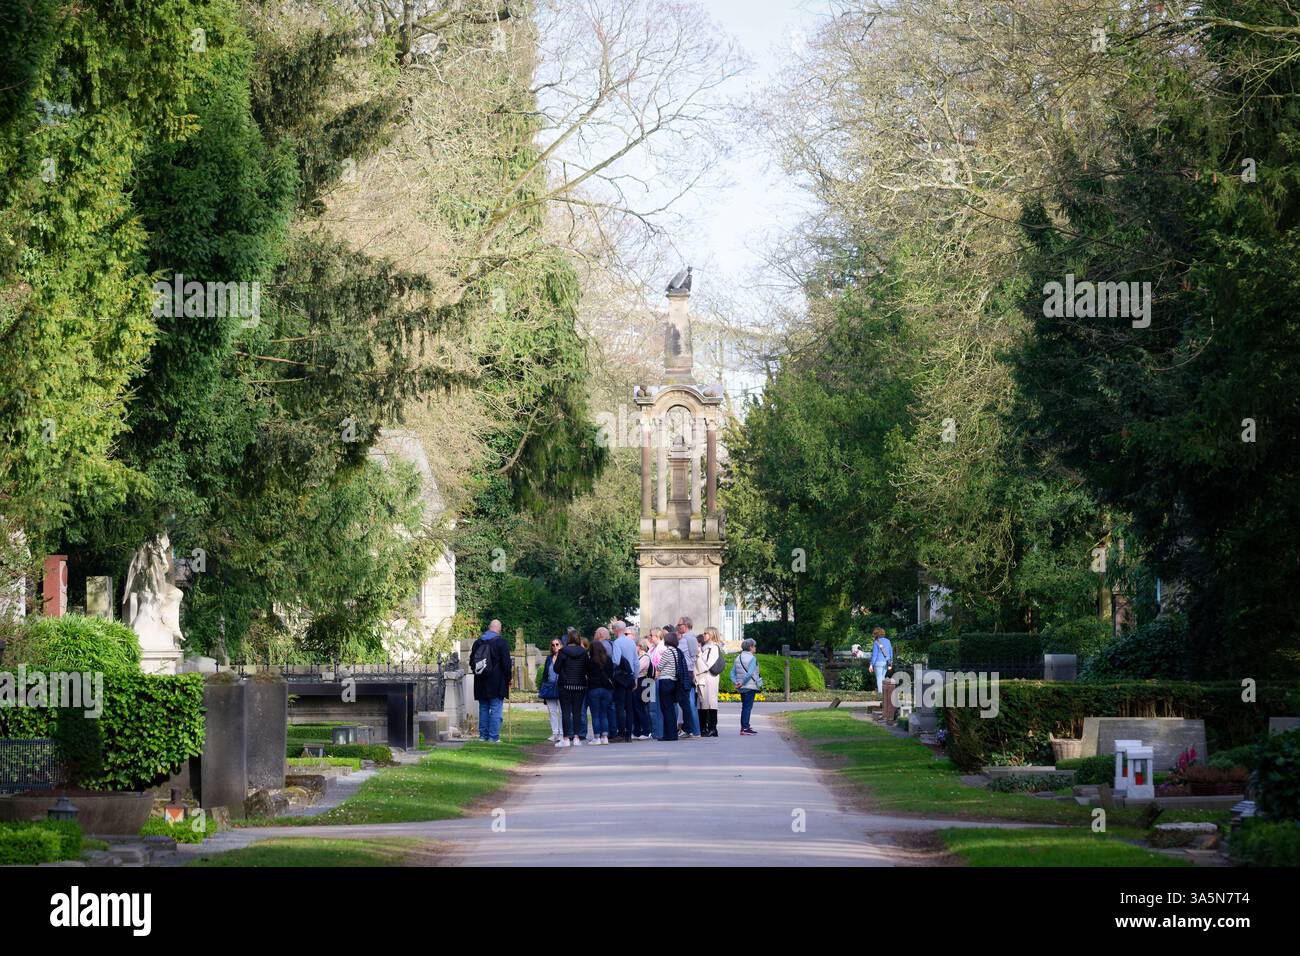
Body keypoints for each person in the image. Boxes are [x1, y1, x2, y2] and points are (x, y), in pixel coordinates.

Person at [470, 619, 512, 743]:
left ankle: (483, 736)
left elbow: (472, 661)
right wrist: (508, 678)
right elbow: (506, 663)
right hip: (496, 681)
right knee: (495, 708)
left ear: (489, 628)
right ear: (499, 629)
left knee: (483, 708)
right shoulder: (501, 643)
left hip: (480, 680)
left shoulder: (477, 642)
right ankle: (493, 737)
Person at [555, 632, 589, 748]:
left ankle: (565, 739)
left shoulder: (563, 651)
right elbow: (587, 668)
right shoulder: (584, 652)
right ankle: (576, 738)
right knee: (577, 712)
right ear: (579, 639)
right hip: (579, 684)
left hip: (565, 685)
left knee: (565, 712)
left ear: (568, 639)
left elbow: (556, 669)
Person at [610, 622, 639, 743]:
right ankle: (629, 734)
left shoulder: (617, 643)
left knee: (620, 706)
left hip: (620, 679)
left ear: (617, 630)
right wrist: (635, 678)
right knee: (629, 707)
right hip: (630, 677)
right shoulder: (631, 642)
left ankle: (621, 732)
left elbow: (616, 661)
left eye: (613, 630)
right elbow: (636, 662)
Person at [586, 635, 615, 745]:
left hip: (594, 688)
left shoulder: (590, 661)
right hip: (607, 689)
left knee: (595, 714)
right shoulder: (608, 660)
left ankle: (597, 737)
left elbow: (586, 674)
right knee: (604, 713)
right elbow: (611, 673)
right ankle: (605, 736)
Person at [676, 618, 701, 738]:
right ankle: (694, 730)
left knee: (687, 702)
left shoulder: (684, 640)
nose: (677, 626)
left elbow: (677, 654)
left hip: (685, 672)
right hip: (691, 672)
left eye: (679, 624)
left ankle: (692, 730)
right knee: (689, 702)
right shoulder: (693, 638)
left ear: (685, 626)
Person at [694, 626, 722, 737]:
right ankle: (704, 728)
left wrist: (699, 654)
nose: (704, 635)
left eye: (707, 633)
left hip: (709, 678)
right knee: (703, 703)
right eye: (704, 633)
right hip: (704, 678)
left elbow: (707, 664)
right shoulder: (706, 647)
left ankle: (711, 728)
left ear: (712, 635)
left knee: (710, 703)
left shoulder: (713, 648)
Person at [731, 638, 762, 736]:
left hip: (741, 687)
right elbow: (749, 674)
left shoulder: (738, 658)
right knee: (747, 707)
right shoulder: (752, 658)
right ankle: (745, 728)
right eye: (754, 646)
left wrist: (736, 682)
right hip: (749, 686)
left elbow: (732, 673)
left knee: (744, 707)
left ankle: (744, 726)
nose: (755, 648)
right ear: (750, 647)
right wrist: (743, 682)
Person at [656, 631, 681, 741]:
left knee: (665, 709)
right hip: (673, 681)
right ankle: (673, 734)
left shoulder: (667, 652)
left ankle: (668, 735)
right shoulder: (677, 652)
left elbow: (659, 666)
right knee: (670, 708)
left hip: (665, 681)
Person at [541, 636, 564, 741]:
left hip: (561, 687)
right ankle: (555, 733)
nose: (555, 646)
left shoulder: (564, 657)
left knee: (562, 711)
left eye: (557, 644)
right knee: (552, 711)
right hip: (550, 686)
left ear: (561, 645)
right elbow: (545, 674)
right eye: (553, 645)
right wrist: (543, 687)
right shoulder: (549, 658)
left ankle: (563, 732)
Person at [646, 628, 666, 740]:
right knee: (651, 707)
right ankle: (654, 731)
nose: (650, 637)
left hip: (656, 680)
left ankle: (658, 732)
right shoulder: (652, 648)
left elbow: (661, 665)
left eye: (651, 635)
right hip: (649, 680)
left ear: (657, 636)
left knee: (656, 707)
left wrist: (656, 673)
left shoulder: (662, 648)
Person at [634, 635, 652, 739]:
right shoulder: (638, 657)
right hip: (640, 682)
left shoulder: (645, 657)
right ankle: (637, 731)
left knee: (642, 708)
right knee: (637, 707)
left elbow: (637, 669)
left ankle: (646, 731)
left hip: (644, 682)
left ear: (640, 646)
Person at [868, 626, 894, 694]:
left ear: (876, 634)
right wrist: (891, 662)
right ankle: (884, 693)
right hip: (886, 662)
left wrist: (871, 665)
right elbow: (891, 652)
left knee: (879, 678)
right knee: (882, 677)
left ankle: (880, 693)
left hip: (878, 662)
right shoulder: (888, 641)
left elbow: (874, 655)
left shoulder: (876, 642)